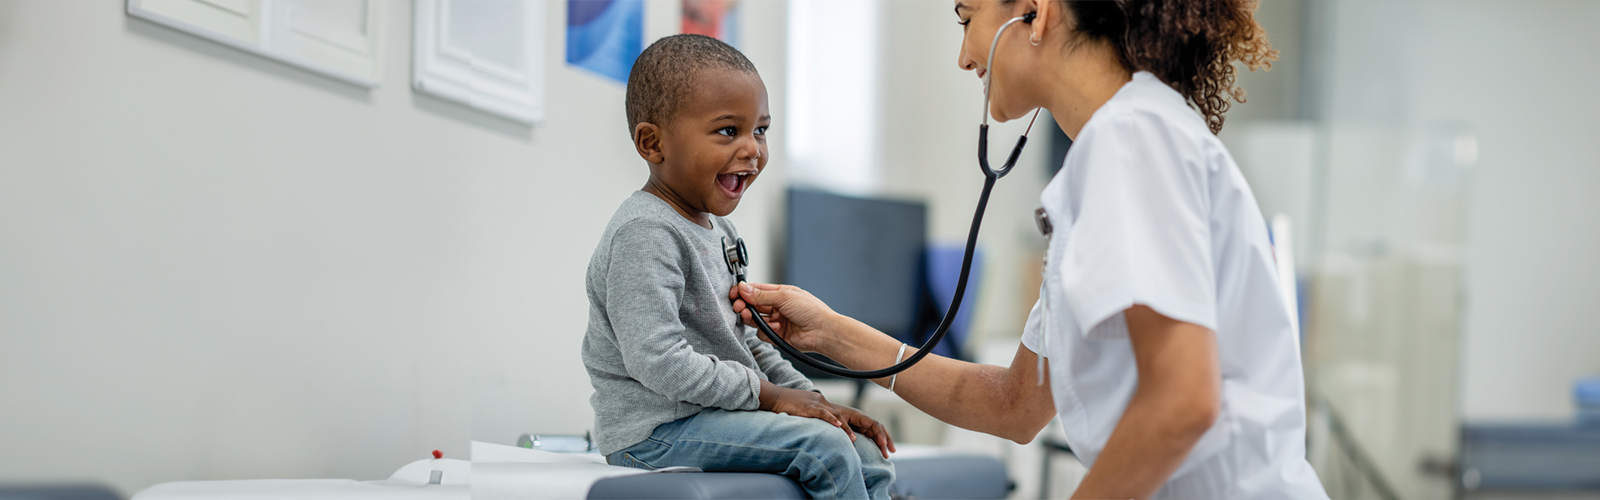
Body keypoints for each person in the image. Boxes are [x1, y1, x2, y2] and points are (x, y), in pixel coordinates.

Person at [730, 0, 1331, 498]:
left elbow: (1181, 401)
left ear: (1033, 12)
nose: (963, 56)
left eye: (966, 19)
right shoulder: (1118, 147)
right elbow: (1014, 404)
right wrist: (833, 333)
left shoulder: (1131, 139)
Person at [581, 34, 897, 500]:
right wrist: (773, 399)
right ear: (653, 143)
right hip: (654, 433)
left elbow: (750, 342)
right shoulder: (645, 233)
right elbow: (658, 362)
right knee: (825, 449)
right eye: (729, 130)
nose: (753, 149)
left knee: (861, 448)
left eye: (761, 130)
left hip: (716, 415)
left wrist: (818, 404)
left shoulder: (721, 233)